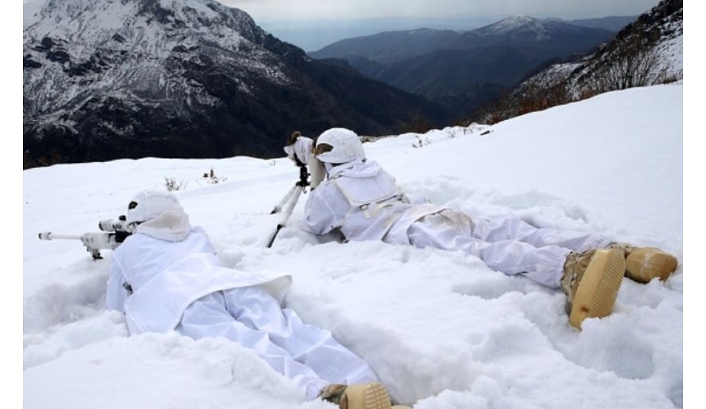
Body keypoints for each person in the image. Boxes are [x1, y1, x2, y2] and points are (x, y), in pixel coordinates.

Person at [286, 127, 678, 330]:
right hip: (434, 210)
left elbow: (315, 224)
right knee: (512, 228)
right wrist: (312, 152)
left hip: (410, 227)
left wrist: (314, 178)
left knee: (485, 252)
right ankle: (621, 252)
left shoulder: (329, 192)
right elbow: (333, 153)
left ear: (328, 158)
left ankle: (569, 269)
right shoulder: (375, 170)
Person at [105, 190, 406, 409]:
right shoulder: (196, 233)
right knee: (289, 331)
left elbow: (115, 306)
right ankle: (365, 384)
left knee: (246, 344)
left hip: (183, 300)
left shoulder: (127, 250)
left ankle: (328, 396)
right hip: (230, 284)